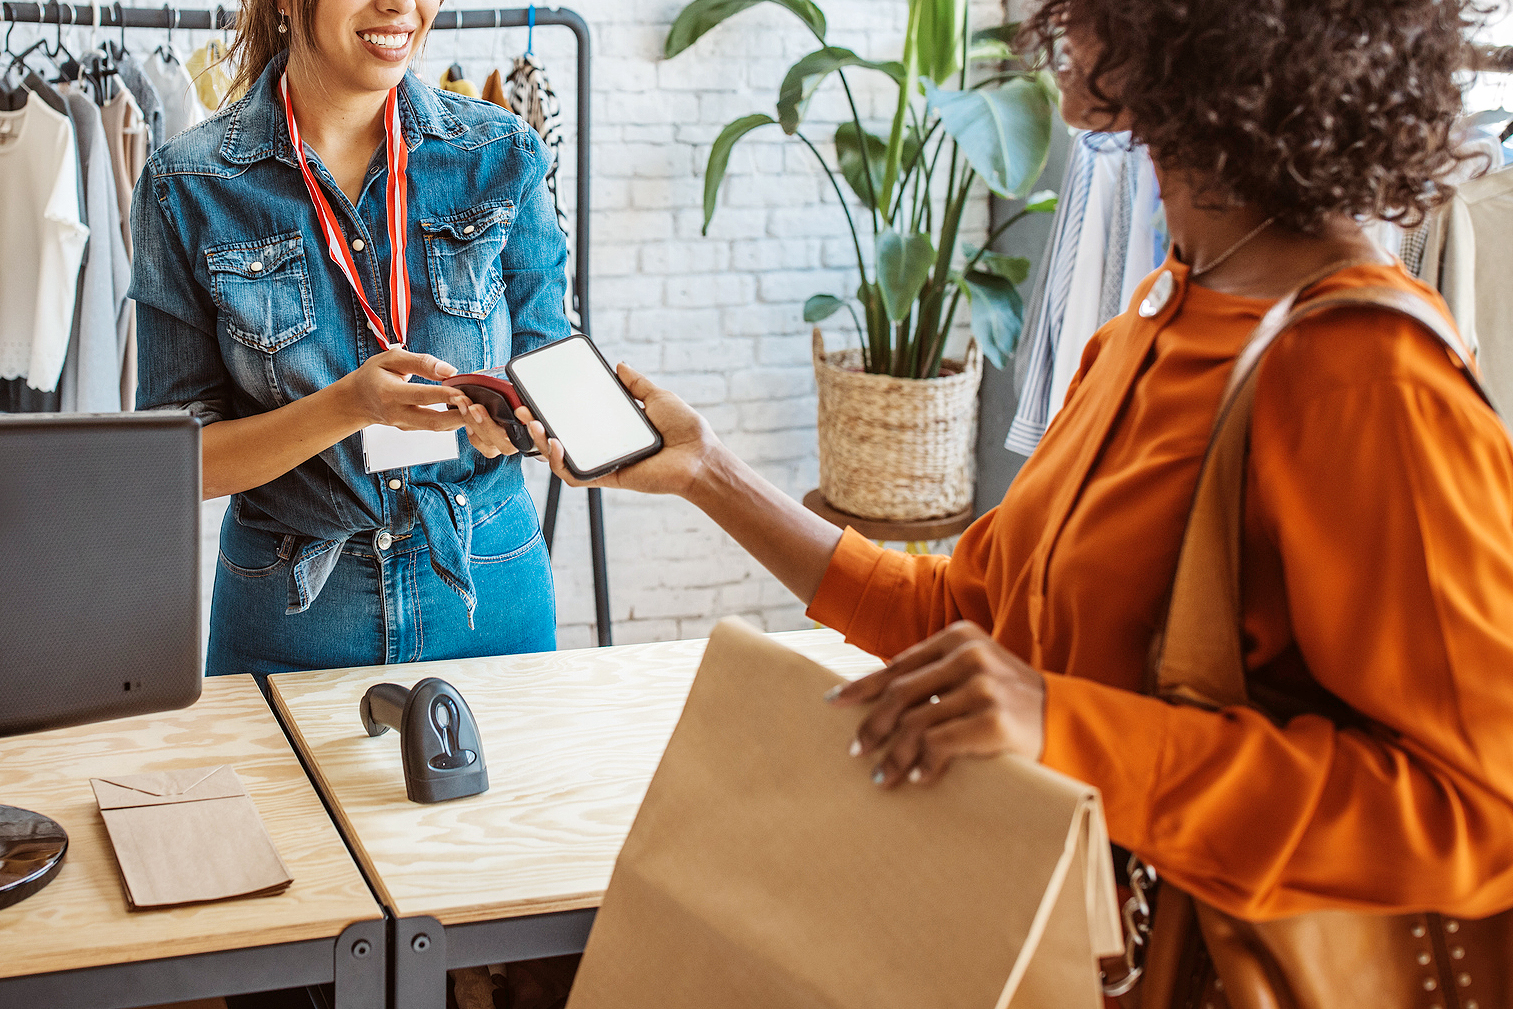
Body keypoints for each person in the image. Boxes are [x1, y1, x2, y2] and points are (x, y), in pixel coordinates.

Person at [461, 0, 1513, 929]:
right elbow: (963, 621)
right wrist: (707, 474)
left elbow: (1481, 815)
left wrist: (1067, 727)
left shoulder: (1362, 374)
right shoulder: (1151, 326)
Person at [130, 0, 564, 675]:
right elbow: (177, 467)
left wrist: (513, 426)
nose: (400, 5)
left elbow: (552, 375)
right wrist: (349, 406)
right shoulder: (186, 185)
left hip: (490, 588)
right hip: (290, 612)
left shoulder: (504, 155)